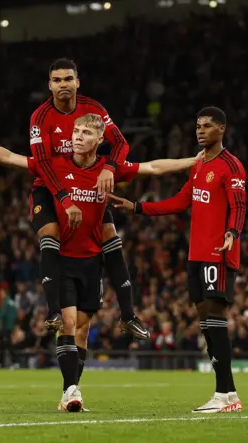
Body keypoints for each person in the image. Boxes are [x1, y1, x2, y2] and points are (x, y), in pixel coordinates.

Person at [0, 114, 197, 411]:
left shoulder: (108, 169)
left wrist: (193, 161)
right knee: (68, 324)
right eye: (75, 131)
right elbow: (9, 157)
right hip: (63, 261)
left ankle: (70, 389)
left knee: (82, 329)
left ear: (99, 140)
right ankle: (72, 389)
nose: (77, 137)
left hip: (91, 261)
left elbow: (155, 167)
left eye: (85, 133)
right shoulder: (55, 165)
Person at [109, 106, 247, 413]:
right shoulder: (198, 166)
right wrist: (137, 207)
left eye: (207, 126)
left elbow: (238, 205)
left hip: (218, 252)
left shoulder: (231, 165)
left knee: (215, 315)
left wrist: (232, 234)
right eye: (198, 126)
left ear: (221, 129)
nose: (200, 131)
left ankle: (227, 393)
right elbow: (179, 202)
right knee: (205, 321)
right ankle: (223, 392)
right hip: (196, 254)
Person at [28, 58, 147, 339]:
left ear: (77, 82)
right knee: (50, 233)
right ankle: (54, 310)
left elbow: (121, 143)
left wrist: (109, 167)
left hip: (86, 184)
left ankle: (128, 315)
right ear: (50, 85)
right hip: (50, 186)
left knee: (110, 235)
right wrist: (64, 198)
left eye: (68, 79)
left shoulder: (94, 109)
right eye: (57, 80)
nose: (63, 85)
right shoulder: (40, 116)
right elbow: (42, 163)